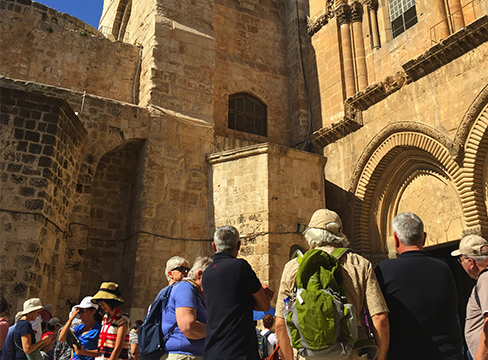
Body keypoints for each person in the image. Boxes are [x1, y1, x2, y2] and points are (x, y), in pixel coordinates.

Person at [275, 209, 390, 360]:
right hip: (350, 354)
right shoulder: (359, 264)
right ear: (340, 234)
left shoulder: (293, 267)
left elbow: (280, 324)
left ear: (310, 234)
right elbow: (380, 318)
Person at [375, 212, 463, 360]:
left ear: (396, 239)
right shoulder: (443, 269)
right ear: (424, 237)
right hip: (446, 354)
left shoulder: (384, 270)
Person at [202, 225, 274, 360]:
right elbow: (264, 306)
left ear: (214, 246)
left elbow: (228, 303)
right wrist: (261, 294)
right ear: (239, 245)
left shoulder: (207, 273)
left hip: (212, 351)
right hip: (238, 350)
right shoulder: (240, 267)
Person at [162, 256, 212, 359]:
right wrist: (217, 329)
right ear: (199, 275)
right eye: (212, 278)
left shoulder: (195, 292)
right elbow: (189, 327)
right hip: (184, 356)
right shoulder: (185, 288)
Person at [452, 234, 488, 360]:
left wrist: (480, 356)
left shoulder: (485, 279)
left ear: (471, 262)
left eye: (461, 259)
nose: (461, 264)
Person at [91, 283, 129, 360]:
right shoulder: (105, 318)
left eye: (103, 304)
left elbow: (118, 348)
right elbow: (102, 349)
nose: (102, 307)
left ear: (111, 302)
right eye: (100, 304)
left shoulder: (122, 319)